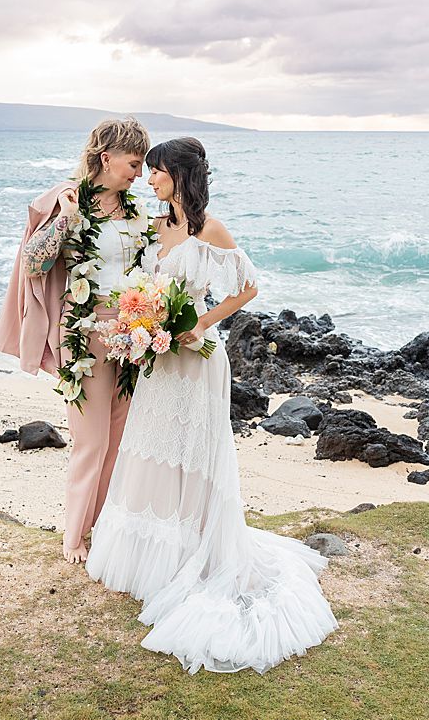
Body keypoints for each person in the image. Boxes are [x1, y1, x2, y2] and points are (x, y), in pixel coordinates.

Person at [84, 137, 339, 674]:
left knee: (193, 451)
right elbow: (141, 285)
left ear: (178, 174)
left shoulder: (209, 230)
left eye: (156, 172)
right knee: (153, 446)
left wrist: (200, 322)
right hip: (158, 358)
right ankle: (152, 557)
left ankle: (194, 551)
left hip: (197, 359)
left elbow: (248, 287)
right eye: (146, 171)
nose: (150, 180)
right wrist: (143, 322)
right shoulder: (156, 228)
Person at [0, 116, 152, 563]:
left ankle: (104, 527)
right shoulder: (67, 200)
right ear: (107, 158)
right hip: (85, 332)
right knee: (91, 441)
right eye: (133, 163)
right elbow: (34, 264)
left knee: (118, 439)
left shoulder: (134, 211)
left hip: (133, 331)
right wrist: (66, 219)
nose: (138, 174)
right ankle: (74, 536)